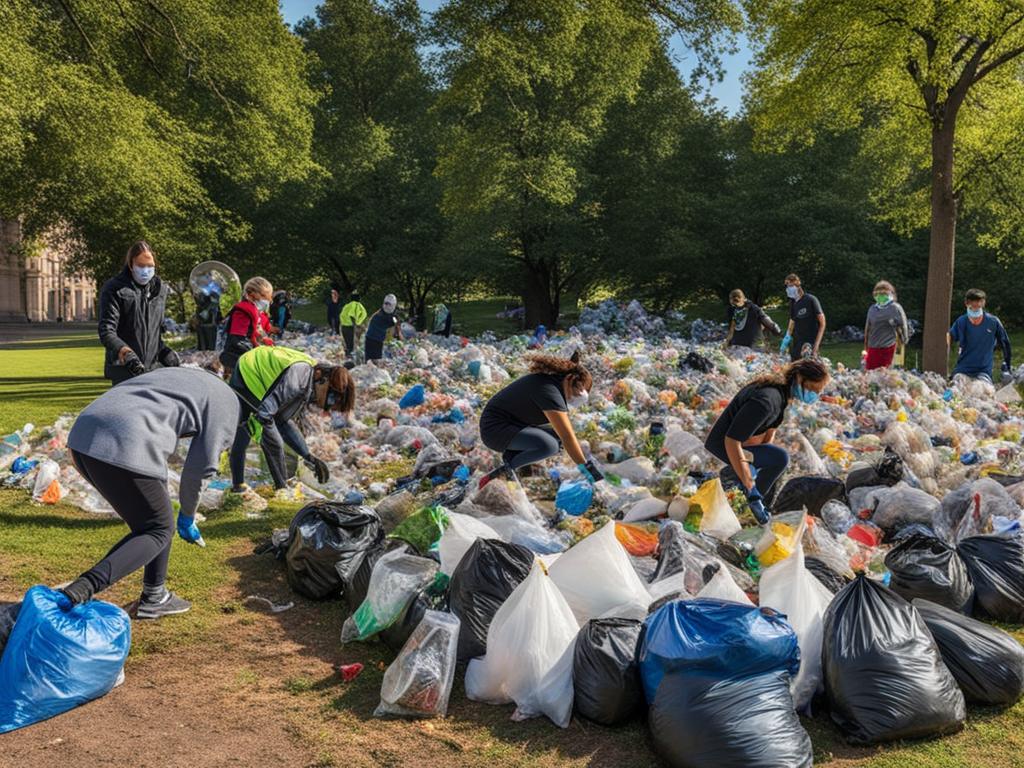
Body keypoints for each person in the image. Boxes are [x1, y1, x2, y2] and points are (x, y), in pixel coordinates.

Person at [57, 368, 239, 618]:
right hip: (127, 439)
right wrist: (188, 514)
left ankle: (155, 595)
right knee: (159, 529)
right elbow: (199, 468)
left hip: (83, 436)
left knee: (152, 523)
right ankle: (79, 591)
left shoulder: (192, 380)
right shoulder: (228, 405)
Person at [704, 358, 831, 525]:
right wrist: (750, 485)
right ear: (800, 378)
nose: (815, 395)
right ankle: (745, 496)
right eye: (814, 389)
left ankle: (749, 502)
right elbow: (731, 440)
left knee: (775, 459)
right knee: (780, 458)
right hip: (722, 444)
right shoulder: (767, 401)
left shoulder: (782, 396)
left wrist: (754, 466)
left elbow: (768, 437)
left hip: (741, 444)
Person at [228, 345, 355, 492]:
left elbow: (283, 421)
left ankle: (239, 486)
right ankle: (268, 487)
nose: (326, 406)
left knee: (252, 427)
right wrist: (282, 487)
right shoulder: (299, 378)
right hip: (250, 372)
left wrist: (308, 456)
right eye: (331, 399)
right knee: (256, 429)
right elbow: (266, 415)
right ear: (320, 376)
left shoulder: (308, 383)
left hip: (257, 373)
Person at [478, 350, 602, 488]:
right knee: (549, 445)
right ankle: (499, 475)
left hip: (512, 425)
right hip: (495, 430)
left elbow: (564, 435)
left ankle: (511, 464)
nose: (577, 398)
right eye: (579, 391)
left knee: (556, 438)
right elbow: (568, 437)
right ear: (569, 379)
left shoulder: (553, 385)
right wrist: (587, 469)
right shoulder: (549, 391)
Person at [98, 240, 180, 386]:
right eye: (141, 266)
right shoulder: (114, 289)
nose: (146, 270)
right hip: (123, 370)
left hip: (151, 371)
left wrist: (165, 353)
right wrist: (125, 352)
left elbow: (153, 334)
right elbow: (107, 331)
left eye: (150, 266)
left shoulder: (160, 291)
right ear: (131, 265)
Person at [948, 288, 1012, 383]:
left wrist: (1007, 365)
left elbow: (1005, 343)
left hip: (983, 372)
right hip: (962, 370)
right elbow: (948, 339)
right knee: (957, 389)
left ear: (983, 303)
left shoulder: (993, 322)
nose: (975, 308)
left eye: (978, 305)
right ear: (966, 304)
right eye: (972, 306)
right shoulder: (961, 322)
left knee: (982, 391)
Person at [219, 276, 276, 377]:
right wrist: (257, 353)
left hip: (246, 355)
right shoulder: (242, 313)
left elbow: (257, 330)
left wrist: (265, 340)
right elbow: (237, 340)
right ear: (251, 295)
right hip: (236, 358)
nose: (268, 300)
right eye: (264, 296)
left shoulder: (256, 311)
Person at [862, 280, 909, 371]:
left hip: (888, 346)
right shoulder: (872, 309)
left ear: (890, 294)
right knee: (870, 371)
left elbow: (903, 325)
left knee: (884, 372)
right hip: (873, 346)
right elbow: (868, 327)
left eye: (883, 293)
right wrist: (866, 345)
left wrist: (904, 338)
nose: (880, 296)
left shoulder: (895, 308)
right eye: (877, 294)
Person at [779, 274, 826, 361]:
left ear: (796, 285)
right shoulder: (793, 304)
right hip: (797, 344)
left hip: (809, 343)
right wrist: (786, 338)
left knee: (808, 369)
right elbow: (792, 322)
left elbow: (822, 323)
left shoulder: (811, 300)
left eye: (789, 286)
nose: (787, 289)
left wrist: (816, 346)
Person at [364, 294, 402, 362]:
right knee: (375, 360)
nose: (387, 306)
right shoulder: (386, 316)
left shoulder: (380, 313)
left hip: (370, 338)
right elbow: (396, 326)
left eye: (389, 304)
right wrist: (399, 336)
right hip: (375, 339)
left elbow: (395, 325)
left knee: (369, 360)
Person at [194, 285, 222, 351]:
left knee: (211, 344)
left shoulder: (213, 290)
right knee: (203, 344)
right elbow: (199, 303)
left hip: (211, 323)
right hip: (203, 321)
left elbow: (215, 304)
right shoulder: (200, 291)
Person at [341, 291, 368, 357]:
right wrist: (355, 325)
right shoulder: (356, 305)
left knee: (347, 342)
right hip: (350, 326)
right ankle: (350, 356)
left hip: (343, 326)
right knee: (351, 343)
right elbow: (352, 315)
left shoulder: (347, 305)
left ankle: (348, 355)